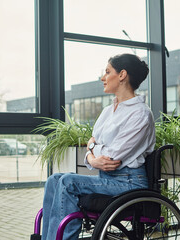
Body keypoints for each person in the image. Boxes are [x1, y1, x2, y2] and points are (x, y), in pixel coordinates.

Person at [41, 53, 156, 240]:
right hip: (107, 178)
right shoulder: (107, 111)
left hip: (129, 183)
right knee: (54, 180)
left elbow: (111, 157)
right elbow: (91, 143)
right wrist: (93, 157)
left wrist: (93, 150)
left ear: (122, 75)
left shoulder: (140, 114)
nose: (103, 77)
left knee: (68, 182)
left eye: (107, 71)